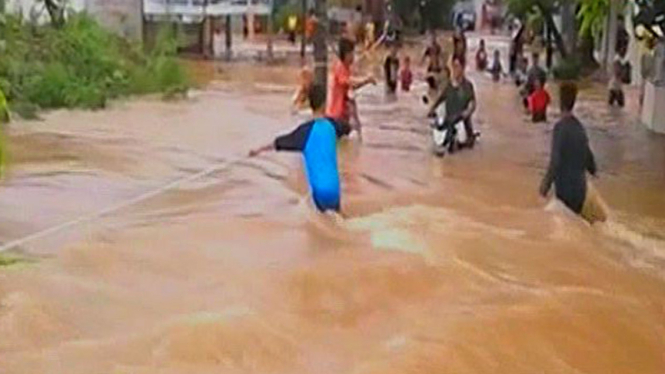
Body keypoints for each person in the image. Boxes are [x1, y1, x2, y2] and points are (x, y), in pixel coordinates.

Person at [249, 85, 349, 213]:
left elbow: (278, 143)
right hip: (335, 188)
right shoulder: (334, 126)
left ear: (309, 104)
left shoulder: (304, 132)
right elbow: (347, 127)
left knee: (320, 225)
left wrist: (257, 150)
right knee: (338, 220)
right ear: (325, 103)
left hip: (319, 190)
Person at [540, 83, 607, 223]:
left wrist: (544, 187)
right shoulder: (580, 128)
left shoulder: (560, 128)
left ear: (560, 101)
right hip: (581, 194)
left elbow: (555, 161)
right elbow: (591, 164)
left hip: (565, 193)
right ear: (574, 102)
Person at [326, 38, 376, 141]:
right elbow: (351, 83)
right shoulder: (340, 68)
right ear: (346, 54)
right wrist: (367, 80)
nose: (354, 56)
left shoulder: (345, 68)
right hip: (336, 117)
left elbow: (350, 88)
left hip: (342, 117)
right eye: (352, 53)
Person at [428, 56, 478, 148]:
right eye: (453, 66)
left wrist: (466, 112)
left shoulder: (468, 86)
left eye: (457, 66)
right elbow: (439, 100)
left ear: (463, 68)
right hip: (449, 121)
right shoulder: (448, 86)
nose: (455, 70)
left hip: (462, 122)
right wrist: (431, 110)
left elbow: (473, 104)